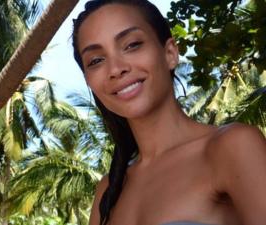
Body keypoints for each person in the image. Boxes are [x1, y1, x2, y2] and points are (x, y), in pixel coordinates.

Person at [71, 0, 266, 224]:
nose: (116, 69)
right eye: (96, 60)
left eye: (132, 45)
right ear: (89, 81)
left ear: (170, 53)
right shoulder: (108, 191)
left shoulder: (231, 147)